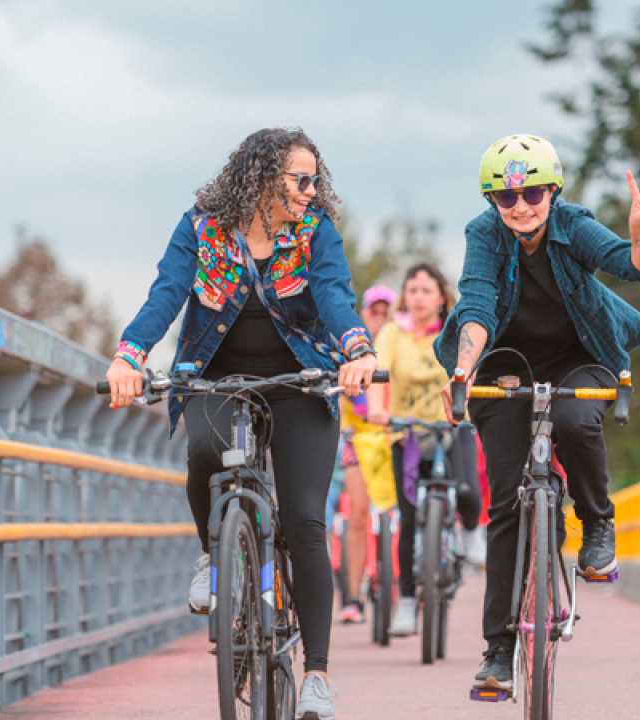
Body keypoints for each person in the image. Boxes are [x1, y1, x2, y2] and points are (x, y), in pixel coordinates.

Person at [105, 127, 378, 719]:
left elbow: (333, 295)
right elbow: (167, 295)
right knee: (205, 449)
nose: (310, 191)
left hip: (299, 381)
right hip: (216, 377)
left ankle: (318, 677)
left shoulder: (313, 231)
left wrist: (357, 350)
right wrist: (130, 356)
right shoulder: (202, 228)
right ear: (260, 176)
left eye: (314, 180)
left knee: (306, 522)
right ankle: (214, 551)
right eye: (298, 180)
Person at [437, 134, 640, 692]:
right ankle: (498, 651)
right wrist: (463, 369)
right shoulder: (484, 233)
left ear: (553, 191)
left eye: (533, 193)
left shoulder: (573, 224)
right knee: (506, 506)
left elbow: (636, 268)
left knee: (575, 421)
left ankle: (596, 524)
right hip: (502, 367)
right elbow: (475, 302)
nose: (520, 206)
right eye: (505, 197)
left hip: (579, 359)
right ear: (492, 201)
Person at [365, 263, 485, 637]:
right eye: (412, 290)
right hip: (409, 431)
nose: (419, 297)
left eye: (426, 290)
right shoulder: (391, 333)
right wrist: (377, 409)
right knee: (409, 512)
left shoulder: (456, 330)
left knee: (467, 489)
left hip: (452, 425)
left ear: (441, 297)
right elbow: (377, 371)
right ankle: (405, 602)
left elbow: (473, 367)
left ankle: (469, 534)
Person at [337, 283, 396, 624]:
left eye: (386, 312)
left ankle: (403, 588)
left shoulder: (398, 345)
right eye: (374, 311)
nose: (380, 318)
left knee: (398, 513)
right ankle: (353, 595)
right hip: (356, 437)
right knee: (358, 514)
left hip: (394, 435)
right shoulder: (349, 348)